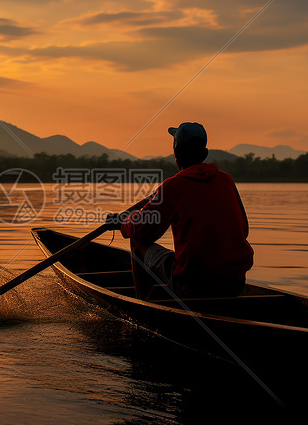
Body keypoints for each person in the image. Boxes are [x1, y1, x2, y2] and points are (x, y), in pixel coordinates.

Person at [107, 122, 253, 299]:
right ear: (204, 154)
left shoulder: (172, 187)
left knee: (137, 241)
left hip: (194, 284)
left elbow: (144, 230)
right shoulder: (226, 180)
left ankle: (143, 305)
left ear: (176, 153)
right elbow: (243, 229)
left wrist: (122, 223)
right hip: (236, 283)